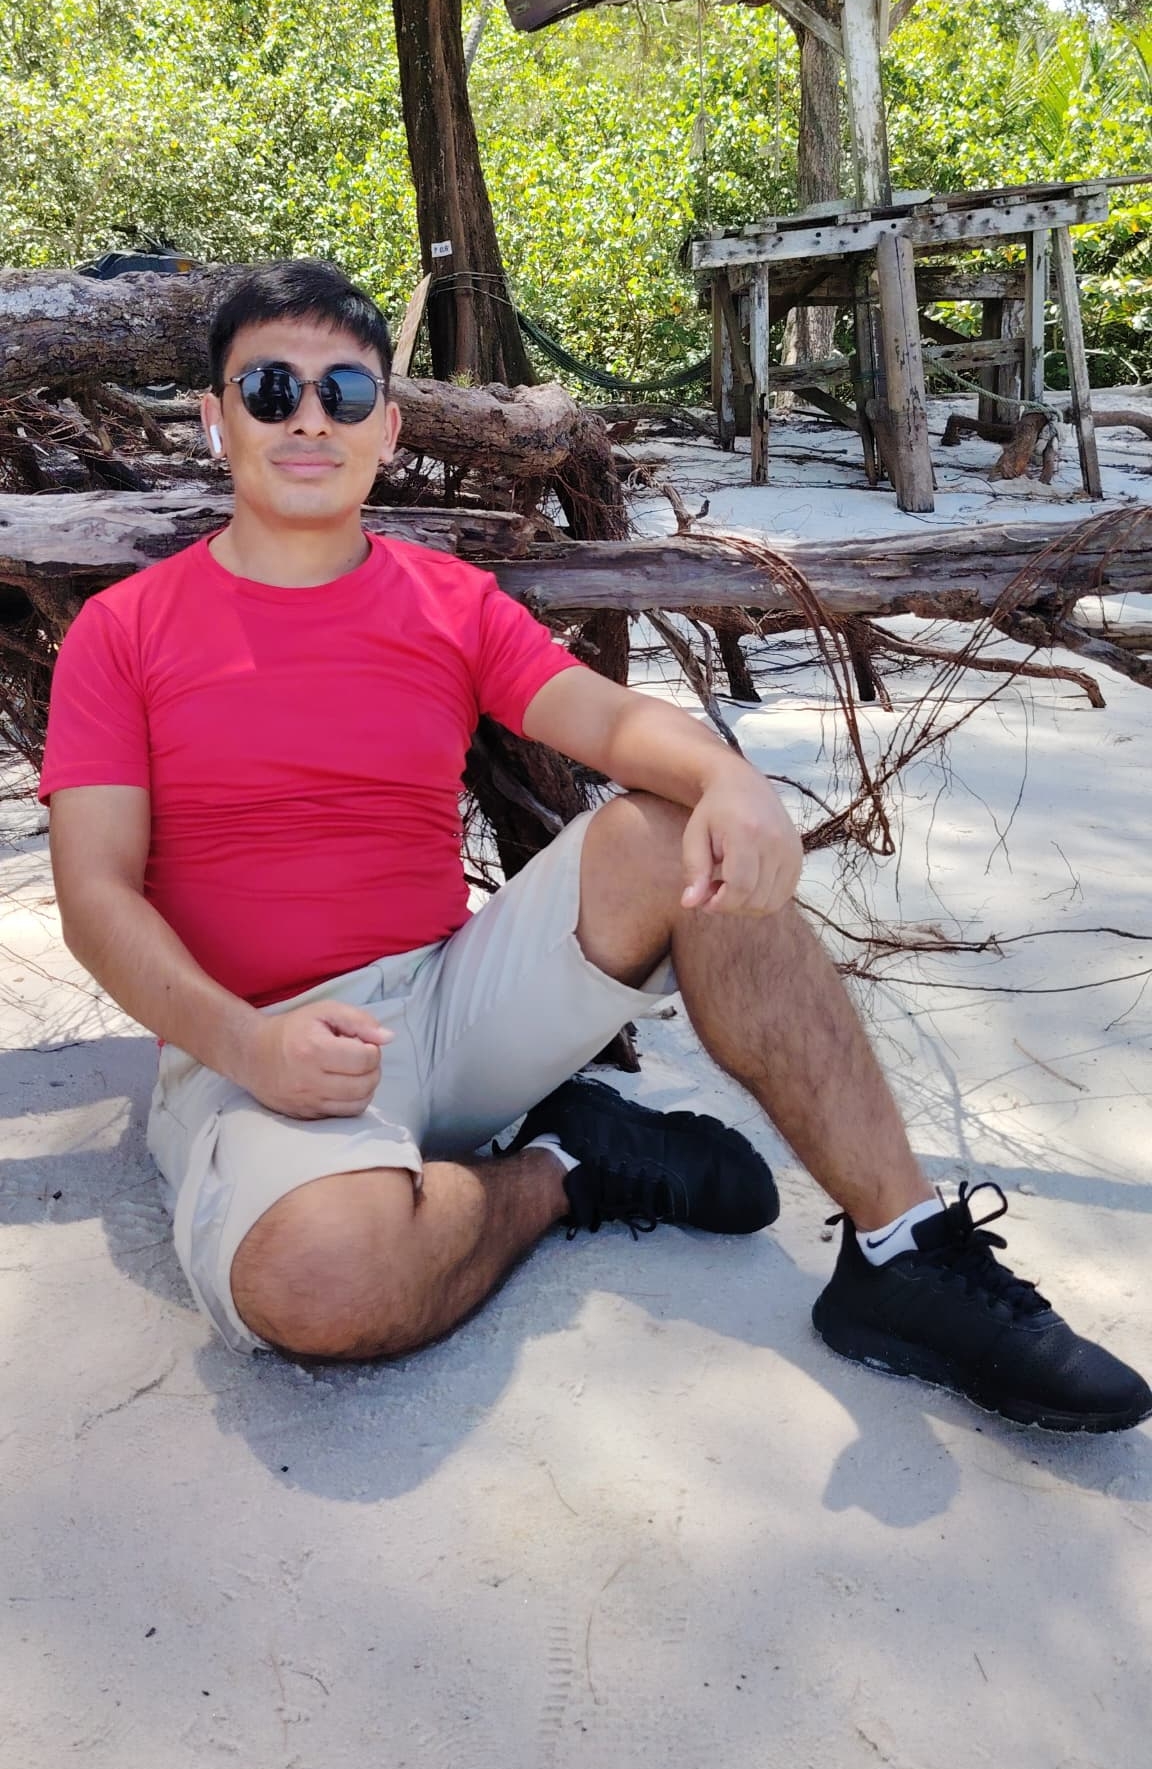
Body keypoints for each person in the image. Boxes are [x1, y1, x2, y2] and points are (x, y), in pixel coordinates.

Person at [40, 259, 1149, 1438]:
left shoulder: (447, 602)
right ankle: (566, 1168)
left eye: (344, 393)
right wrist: (245, 1044)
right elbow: (96, 897)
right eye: (271, 389)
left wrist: (728, 777)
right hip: (249, 1043)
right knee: (324, 1279)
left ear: (388, 429)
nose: (309, 419)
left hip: (450, 1006)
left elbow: (610, 721)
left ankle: (904, 1249)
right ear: (215, 419)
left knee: (673, 833)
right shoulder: (124, 632)